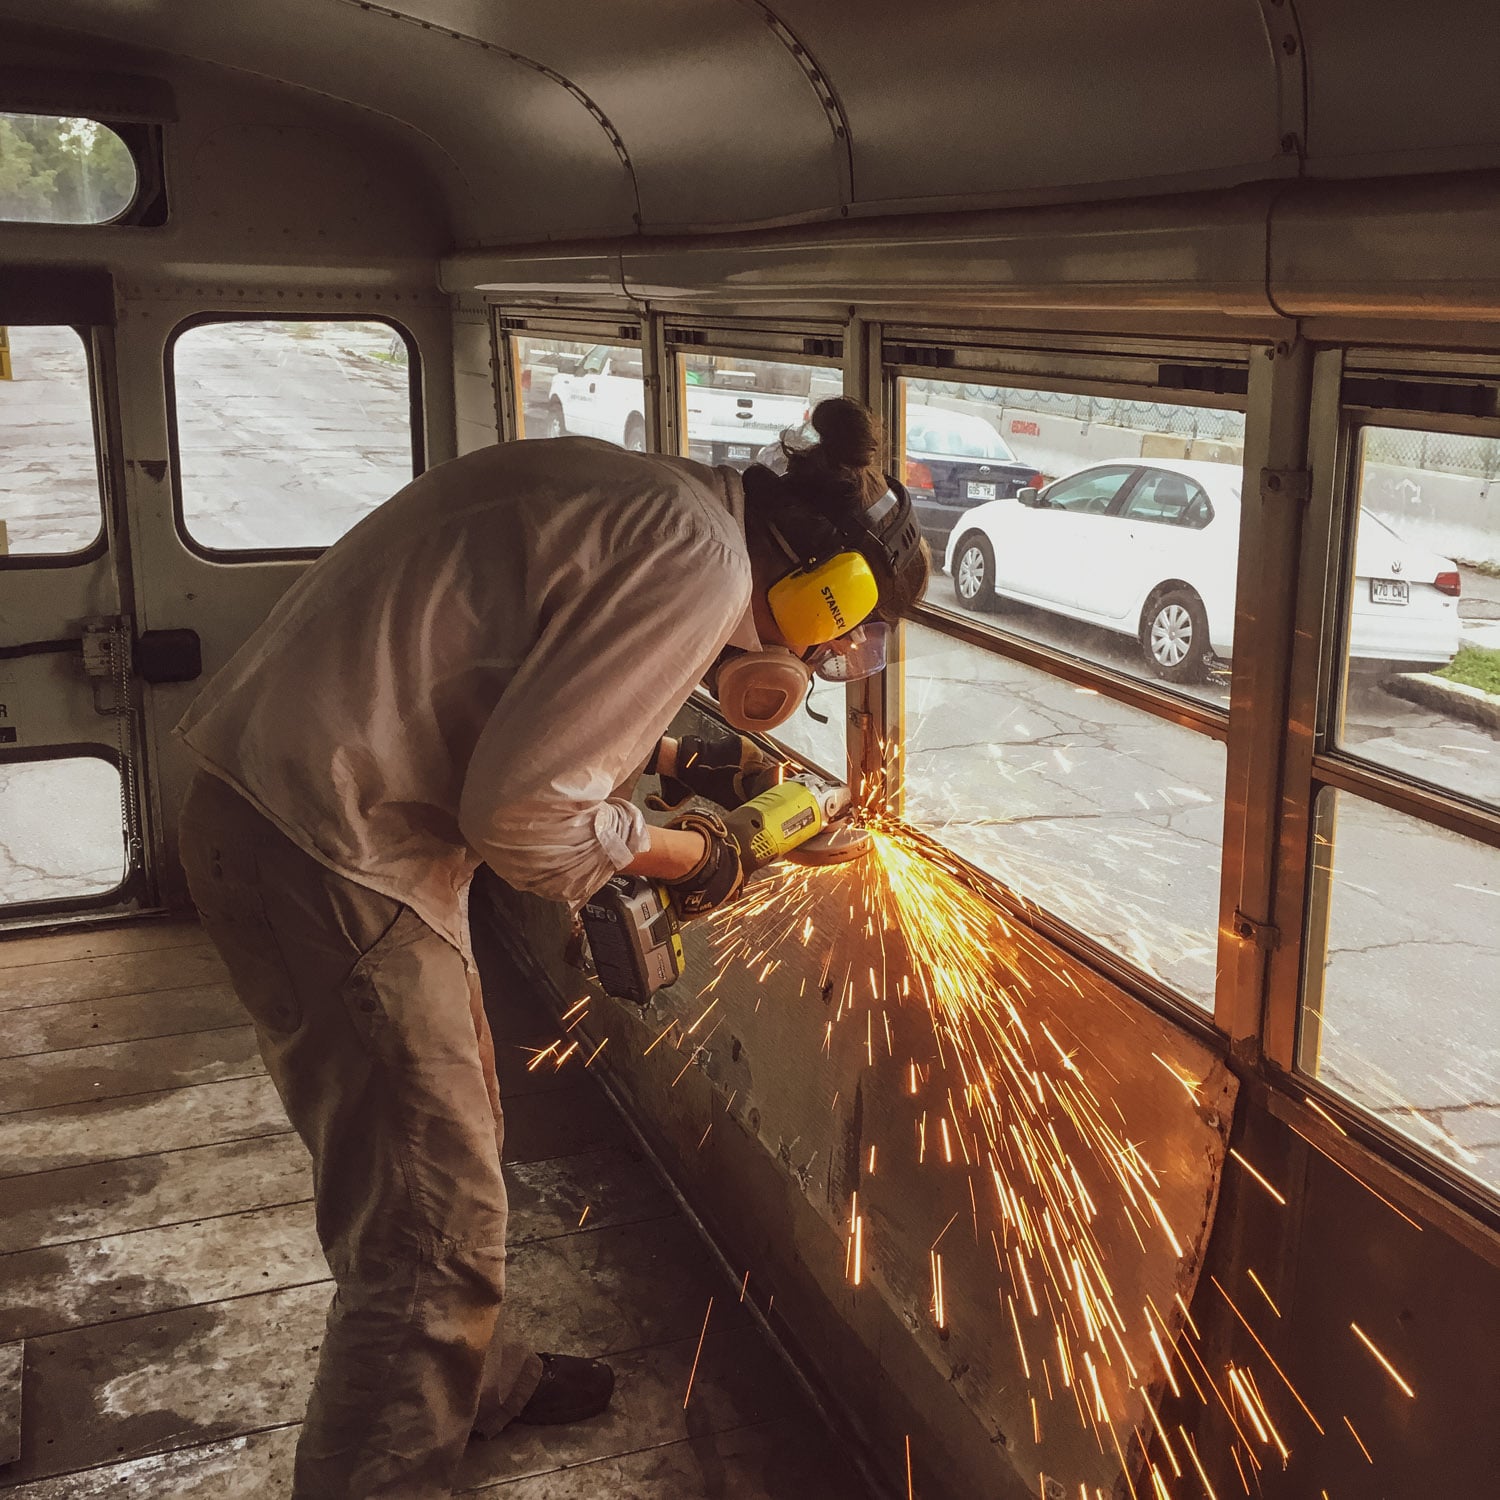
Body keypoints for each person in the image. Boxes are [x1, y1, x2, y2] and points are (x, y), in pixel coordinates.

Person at [173, 396, 929, 1500]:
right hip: (331, 851)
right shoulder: (702, 570)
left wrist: (686, 758)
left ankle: (477, 1381)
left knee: (445, 1129)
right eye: (845, 634)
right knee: (432, 1220)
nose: (831, 654)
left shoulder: (667, 502)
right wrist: (696, 855)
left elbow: (535, 678)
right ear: (826, 587)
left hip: (286, 807)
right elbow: (526, 819)